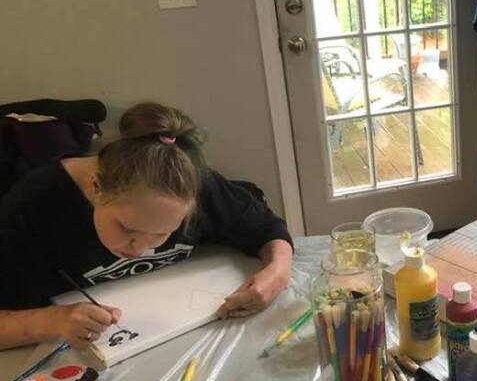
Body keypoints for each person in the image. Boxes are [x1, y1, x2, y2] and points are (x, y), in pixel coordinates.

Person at [0, 102, 293, 350]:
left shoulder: (189, 182)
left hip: (186, 338)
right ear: (97, 187)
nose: (140, 249)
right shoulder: (32, 207)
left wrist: (277, 273)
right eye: (127, 229)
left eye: (163, 234)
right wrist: (56, 320)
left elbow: (267, 229)